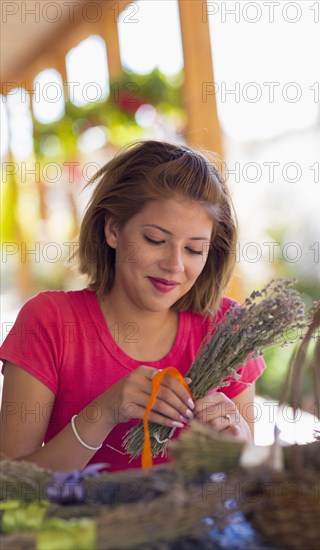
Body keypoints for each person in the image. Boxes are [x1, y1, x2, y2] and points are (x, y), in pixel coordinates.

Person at [0, 140, 266, 472]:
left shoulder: (227, 329)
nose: (174, 264)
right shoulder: (49, 322)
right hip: (78, 523)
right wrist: (104, 412)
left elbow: (250, 476)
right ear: (113, 229)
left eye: (195, 250)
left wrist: (238, 446)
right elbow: (10, 487)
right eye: (156, 240)